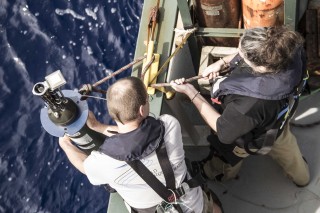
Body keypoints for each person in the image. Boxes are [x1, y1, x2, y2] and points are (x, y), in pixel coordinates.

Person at [170, 26, 310, 187]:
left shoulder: (249, 105)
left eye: (241, 52)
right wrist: (222, 63)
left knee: (230, 156)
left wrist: (191, 92)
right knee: (290, 153)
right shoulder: (289, 49)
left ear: (259, 66)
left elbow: (223, 130)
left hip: (252, 137)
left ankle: (219, 172)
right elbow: (253, 53)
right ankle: (303, 178)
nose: (238, 52)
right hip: (279, 122)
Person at [59, 76, 223, 213]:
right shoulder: (169, 124)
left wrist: (66, 143)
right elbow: (135, 135)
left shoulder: (102, 162)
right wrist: (100, 128)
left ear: (112, 112)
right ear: (142, 110)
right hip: (194, 205)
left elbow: (82, 165)